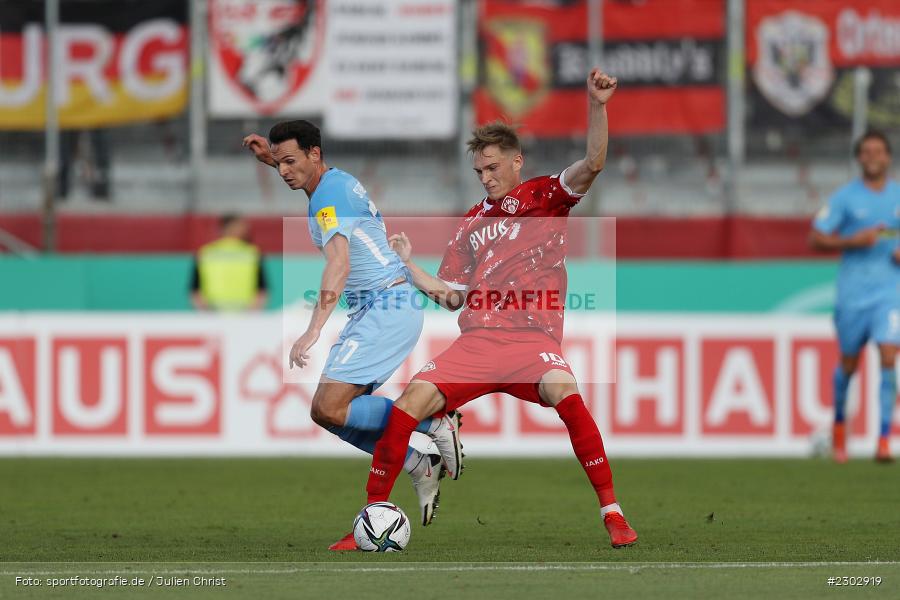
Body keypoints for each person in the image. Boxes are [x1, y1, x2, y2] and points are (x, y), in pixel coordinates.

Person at [363, 68, 639, 548]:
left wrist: (597, 105)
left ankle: (613, 514)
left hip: (533, 340)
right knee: (407, 405)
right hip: (478, 342)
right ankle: (370, 514)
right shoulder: (471, 223)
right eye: (479, 172)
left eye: (493, 168)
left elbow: (593, 163)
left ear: (516, 162)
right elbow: (452, 296)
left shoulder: (545, 196)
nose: (486, 178)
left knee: (569, 399)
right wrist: (410, 267)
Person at [242, 120, 463, 549]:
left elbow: (339, 264)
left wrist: (312, 330)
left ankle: (432, 420)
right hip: (380, 308)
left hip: (386, 306)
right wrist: (270, 159)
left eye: (291, 161)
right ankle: (417, 459)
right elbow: (302, 172)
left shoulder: (328, 197)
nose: (285, 170)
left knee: (329, 406)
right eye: (280, 162)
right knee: (328, 411)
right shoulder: (333, 183)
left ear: (315, 154)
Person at [810, 129, 900, 463]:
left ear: (888, 157)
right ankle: (838, 426)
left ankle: (884, 440)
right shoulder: (845, 198)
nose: (873, 156)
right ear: (859, 158)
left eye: (879, 151)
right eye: (867, 151)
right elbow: (816, 238)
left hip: (889, 293)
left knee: (889, 354)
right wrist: (852, 241)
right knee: (848, 365)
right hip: (852, 295)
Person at [190, 214, 268, 311]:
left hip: (215, 316)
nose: (246, 230)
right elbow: (262, 290)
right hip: (244, 317)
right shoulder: (252, 253)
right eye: (241, 226)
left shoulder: (206, 253)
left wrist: (207, 315)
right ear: (228, 228)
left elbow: (195, 290)